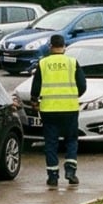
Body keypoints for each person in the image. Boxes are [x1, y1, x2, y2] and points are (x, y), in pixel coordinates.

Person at [28, 33, 86, 188]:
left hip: (49, 110)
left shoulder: (43, 63)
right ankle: (70, 172)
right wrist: (73, 95)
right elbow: (82, 86)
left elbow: (36, 86)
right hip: (70, 109)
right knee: (71, 140)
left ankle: (53, 176)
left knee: (51, 143)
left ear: (50, 47)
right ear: (64, 47)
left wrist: (34, 101)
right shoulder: (72, 62)